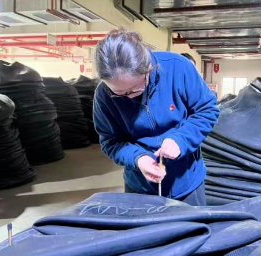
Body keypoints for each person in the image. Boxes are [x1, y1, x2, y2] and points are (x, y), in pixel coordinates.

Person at [93, 29, 220, 206]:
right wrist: (138, 158)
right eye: (120, 93)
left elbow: (207, 110)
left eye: (136, 89)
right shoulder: (103, 96)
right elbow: (111, 142)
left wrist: (181, 139)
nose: (130, 97)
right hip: (139, 186)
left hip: (188, 182)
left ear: (148, 68)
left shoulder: (178, 68)